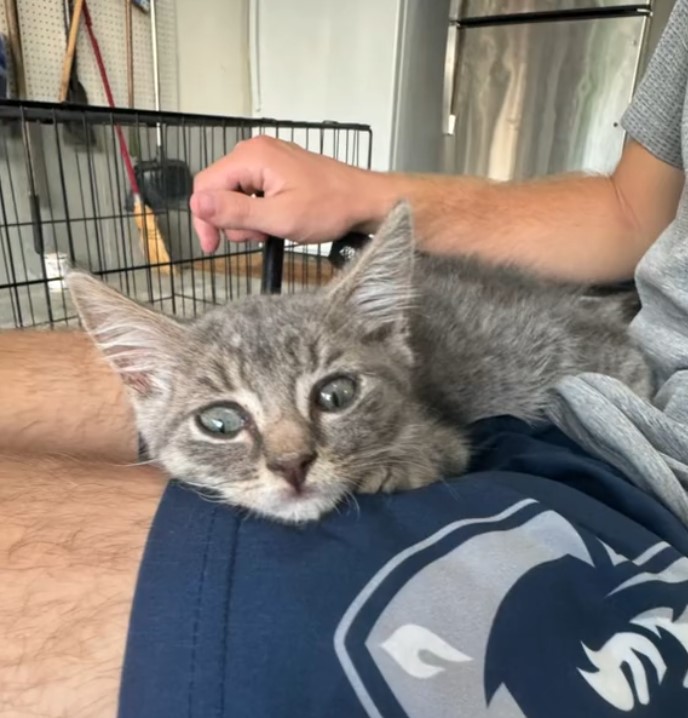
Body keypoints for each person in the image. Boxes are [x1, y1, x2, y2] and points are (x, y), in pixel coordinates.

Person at [3, 1, 688, 715]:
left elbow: (438, 445)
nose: (290, 457)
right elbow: (629, 206)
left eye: (329, 396)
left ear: (388, 334)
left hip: (635, 431)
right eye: (221, 420)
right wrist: (359, 195)